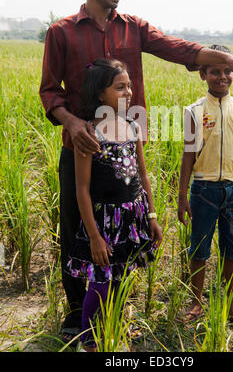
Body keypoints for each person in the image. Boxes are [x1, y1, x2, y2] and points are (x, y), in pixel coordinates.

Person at [39, 0, 233, 341]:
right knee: (79, 229)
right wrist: (73, 122)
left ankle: (115, 307)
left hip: (126, 149)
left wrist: (231, 61)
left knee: (123, 231)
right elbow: (49, 91)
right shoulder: (62, 32)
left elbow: (181, 49)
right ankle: (79, 316)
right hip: (81, 147)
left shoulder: (135, 27)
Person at [66, 58, 162, 351]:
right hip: (105, 221)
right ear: (100, 94)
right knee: (101, 281)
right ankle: (90, 342)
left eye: (129, 86)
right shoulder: (89, 133)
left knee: (123, 275)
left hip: (133, 218)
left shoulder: (134, 126)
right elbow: (82, 189)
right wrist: (94, 236)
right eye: (120, 87)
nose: (129, 92)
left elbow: (142, 174)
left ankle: (115, 326)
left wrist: (152, 215)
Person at [177, 45, 233, 329]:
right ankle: (196, 301)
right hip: (203, 191)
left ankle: (232, 304)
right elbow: (188, 155)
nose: (221, 77)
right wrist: (182, 195)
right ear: (203, 74)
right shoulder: (194, 111)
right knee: (199, 248)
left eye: (226, 71)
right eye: (214, 71)